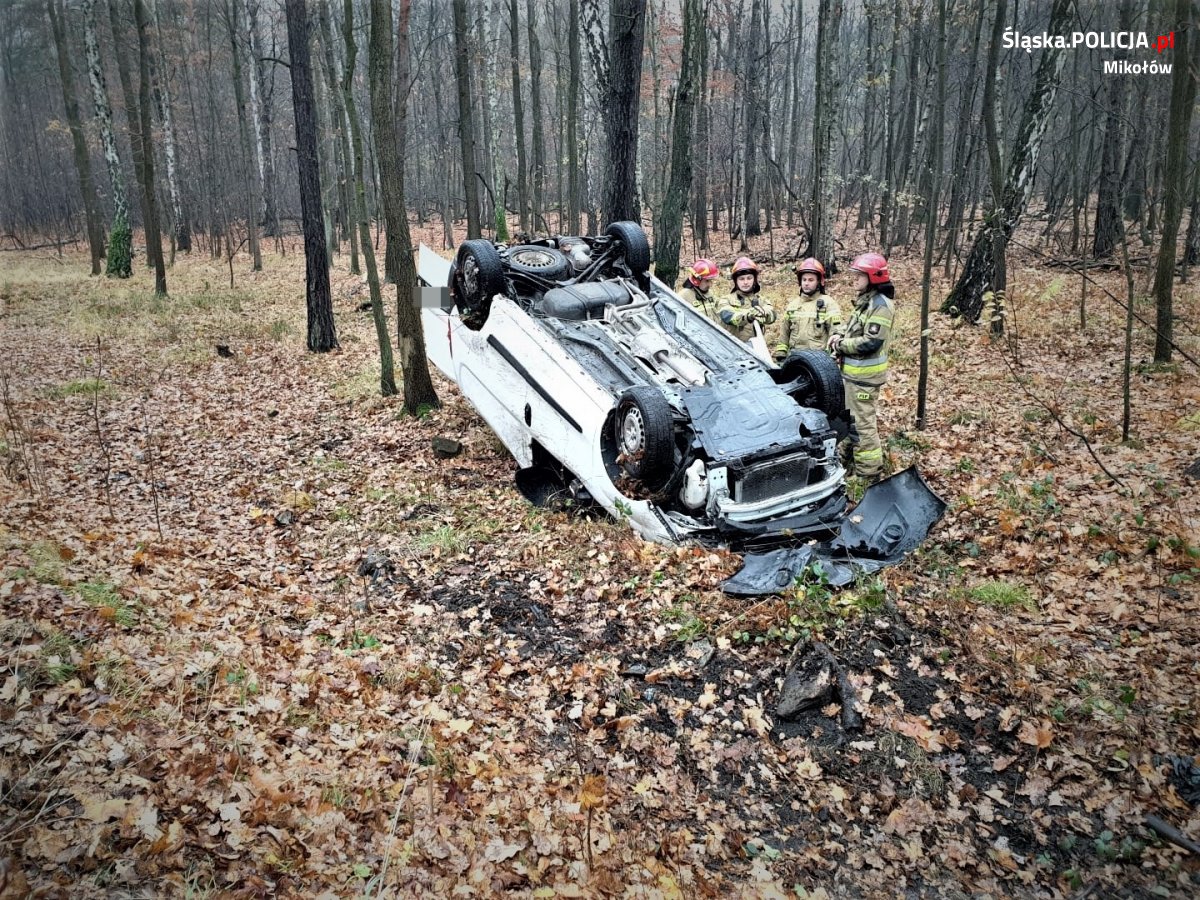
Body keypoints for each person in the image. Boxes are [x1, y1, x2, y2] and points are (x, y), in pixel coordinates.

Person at [829, 252, 895, 484]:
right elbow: (852, 328)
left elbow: (871, 342)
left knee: (863, 425)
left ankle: (868, 473)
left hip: (865, 378)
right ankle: (846, 458)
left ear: (873, 277)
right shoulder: (866, 301)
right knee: (849, 419)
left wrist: (841, 345)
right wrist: (838, 334)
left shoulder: (881, 306)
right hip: (853, 376)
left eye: (859, 275)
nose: (854, 280)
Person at [774, 257, 843, 359]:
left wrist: (833, 355)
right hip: (795, 358)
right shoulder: (793, 305)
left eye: (811, 280)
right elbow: (784, 333)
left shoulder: (828, 303)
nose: (806, 283)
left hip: (819, 360)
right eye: (804, 279)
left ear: (819, 281)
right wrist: (781, 353)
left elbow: (836, 331)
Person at [716, 256, 776, 341]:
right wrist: (748, 316)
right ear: (735, 281)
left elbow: (772, 314)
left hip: (756, 347)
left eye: (749, 278)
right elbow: (728, 316)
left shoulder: (761, 300)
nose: (745, 282)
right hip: (733, 347)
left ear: (754, 279)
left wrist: (763, 313)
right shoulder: (725, 300)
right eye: (741, 279)